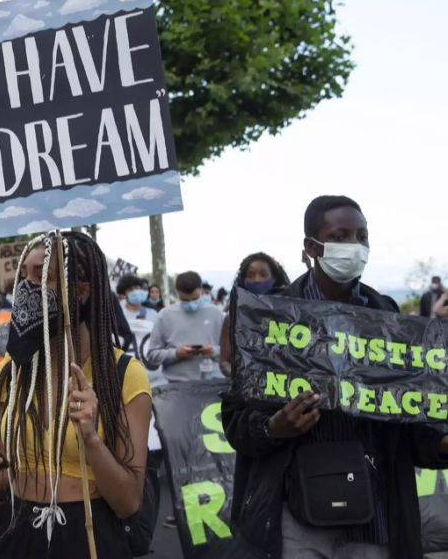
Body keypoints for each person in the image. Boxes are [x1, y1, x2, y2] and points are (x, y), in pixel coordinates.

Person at [222, 195, 448, 559]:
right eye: (341, 236)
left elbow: (408, 419)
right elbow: (236, 421)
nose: (355, 247)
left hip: (376, 519)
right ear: (312, 246)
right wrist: (275, 427)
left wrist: (440, 444)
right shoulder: (270, 318)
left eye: (362, 237)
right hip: (295, 519)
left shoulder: (388, 317)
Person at [0, 231, 152, 558]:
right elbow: (12, 474)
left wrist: (90, 438)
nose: (27, 288)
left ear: (82, 290)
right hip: (16, 532)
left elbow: (129, 502)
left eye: (42, 277)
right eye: (24, 276)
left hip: (88, 536)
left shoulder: (122, 375)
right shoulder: (13, 370)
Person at [219, 253, 291, 377]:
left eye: (263, 274)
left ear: (275, 278)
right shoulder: (232, 318)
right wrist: (240, 377)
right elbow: (224, 361)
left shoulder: (290, 315)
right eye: (250, 275)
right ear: (243, 280)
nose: (257, 280)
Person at [145, 271, 224, 382]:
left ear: (201, 290)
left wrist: (213, 351)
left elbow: (232, 352)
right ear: (178, 293)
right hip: (176, 385)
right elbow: (152, 355)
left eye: (195, 299)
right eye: (185, 300)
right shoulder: (165, 315)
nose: (191, 304)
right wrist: (176, 353)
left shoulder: (217, 314)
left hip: (212, 383)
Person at [116, 275, 162, 386]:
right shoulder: (117, 314)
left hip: (153, 374)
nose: (136, 291)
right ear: (124, 294)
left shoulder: (154, 314)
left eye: (138, 288)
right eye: (131, 290)